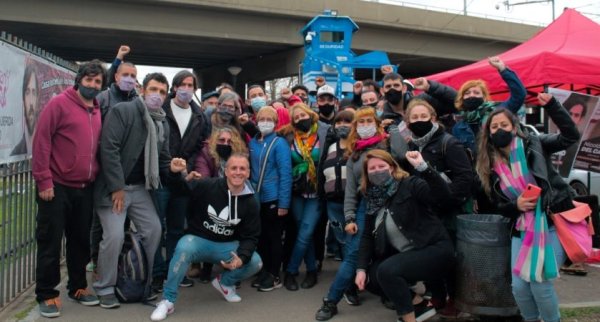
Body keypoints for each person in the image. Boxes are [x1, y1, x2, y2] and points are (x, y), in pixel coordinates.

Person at [475, 93, 580, 322]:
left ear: (514, 128)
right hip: (521, 229)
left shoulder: (535, 144)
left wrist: (553, 106)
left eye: (505, 124)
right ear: (489, 132)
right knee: (520, 288)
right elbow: (496, 205)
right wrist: (516, 204)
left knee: (539, 284)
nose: (500, 129)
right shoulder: (488, 166)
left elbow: (571, 136)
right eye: (495, 126)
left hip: (552, 223)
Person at [32, 60, 107, 318]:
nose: (93, 85)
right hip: (56, 187)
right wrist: (43, 180)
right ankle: (47, 293)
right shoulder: (58, 104)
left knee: (79, 242)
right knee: (50, 242)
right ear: (79, 80)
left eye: (98, 82)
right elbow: (41, 142)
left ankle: (78, 287)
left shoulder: (97, 110)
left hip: (85, 188)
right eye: (89, 80)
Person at [316, 107, 406, 319]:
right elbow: (350, 193)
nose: (365, 125)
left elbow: (402, 155)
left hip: (391, 205)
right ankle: (331, 301)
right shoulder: (353, 157)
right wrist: (349, 217)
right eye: (361, 122)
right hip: (365, 208)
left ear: (375, 123)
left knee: (390, 251)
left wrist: (392, 130)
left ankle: (387, 292)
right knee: (353, 254)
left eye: (369, 121)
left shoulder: (387, 145)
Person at [150, 154, 262, 321]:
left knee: (255, 261)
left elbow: (251, 236)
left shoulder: (251, 201)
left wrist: (242, 257)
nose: (238, 172)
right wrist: (174, 173)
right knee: (183, 248)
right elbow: (181, 190)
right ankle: (167, 301)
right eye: (233, 168)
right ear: (225, 171)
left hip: (226, 247)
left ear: (248, 173)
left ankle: (225, 283)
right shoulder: (209, 186)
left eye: (242, 169)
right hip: (199, 242)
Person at [93, 73, 171, 309]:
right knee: (114, 235)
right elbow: (109, 149)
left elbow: (163, 158)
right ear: (142, 89)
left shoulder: (161, 121)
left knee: (154, 230)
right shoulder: (123, 111)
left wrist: (176, 168)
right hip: (113, 188)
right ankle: (105, 287)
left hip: (139, 188)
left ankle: (140, 284)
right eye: (153, 89)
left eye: (162, 91)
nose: (157, 95)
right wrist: (117, 187)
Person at [355, 149, 454, 322]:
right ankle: (418, 304)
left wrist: (424, 168)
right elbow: (367, 237)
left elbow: (443, 197)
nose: (377, 171)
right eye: (372, 168)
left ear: (392, 168)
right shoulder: (372, 199)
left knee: (387, 271)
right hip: (407, 256)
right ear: (367, 174)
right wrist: (361, 269)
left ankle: (409, 319)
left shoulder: (410, 184)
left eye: (381, 166)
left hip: (434, 249)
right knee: (372, 276)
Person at [404, 98, 474, 316]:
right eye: (414, 118)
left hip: (449, 211)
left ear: (433, 118)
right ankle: (436, 295)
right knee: (430, 257)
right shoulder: (412, 145)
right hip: (425, 212)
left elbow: (466, 178)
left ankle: (454, 298)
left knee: (450, 258)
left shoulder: (448, 143)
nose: (419, 121)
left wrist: (448, 199)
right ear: (407, 122)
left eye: (423, 116)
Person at [152, 70, 211, 291]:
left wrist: (188, 168)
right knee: (157, 230)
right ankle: (157, 273)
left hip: (183, 181)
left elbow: (198, 146)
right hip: (161, 178)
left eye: (190, 85)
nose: (186, 88)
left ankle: (173, 272)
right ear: (174, 87)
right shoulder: (160, 109)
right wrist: (168, 165)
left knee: (177, 230)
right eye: (182, 84)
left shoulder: (200, 117)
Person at [314, 109, 362, 321]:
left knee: (352, 248)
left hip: (356, 204)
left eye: (347, 121)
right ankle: (349, 285)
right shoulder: (330, 146)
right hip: (333, 203)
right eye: (339, 121)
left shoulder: (359, 148)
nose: (343, 124)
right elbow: (321, 171)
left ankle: (337, 296)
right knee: (344, 245)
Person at [278, 103, 330, 291]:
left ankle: (291, 271)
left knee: (306, 232)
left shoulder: (325, 132)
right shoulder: (288, 136)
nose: (301, 119)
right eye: (296, 118)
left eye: (303, 115)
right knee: (302, 232)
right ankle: (310, 270)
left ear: (311, 114)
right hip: (298, 192)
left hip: (317, 192)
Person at [249, 106, 292, 291]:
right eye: (261, 118)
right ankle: (264, 270)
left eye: (269, 119)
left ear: (275, 123)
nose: (264, 122)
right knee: (261, 237)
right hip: (256, 198)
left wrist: (284, 203)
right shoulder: (253, 142)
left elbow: (285, 173)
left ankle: (274, 274)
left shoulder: (279, 143)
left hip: (273, 197)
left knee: (274, 237)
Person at [12, 63, 39, 156]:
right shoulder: (16, 152)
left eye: (34, 92)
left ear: (37, 98)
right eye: (27, 93)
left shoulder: (45, 143)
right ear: (23, 99)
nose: (31, 102)